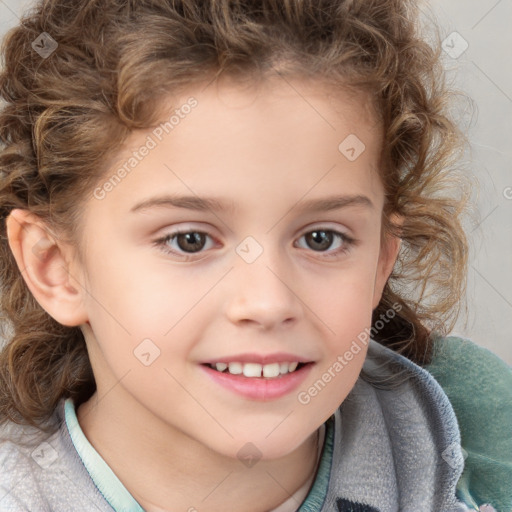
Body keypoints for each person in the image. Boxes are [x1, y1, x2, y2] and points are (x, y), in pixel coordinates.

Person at [0, 0, 510, 511]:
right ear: (56, 267)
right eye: (190, 240)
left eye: (321, 238)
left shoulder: (481, 452)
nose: (267, 302)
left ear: (381, 260)